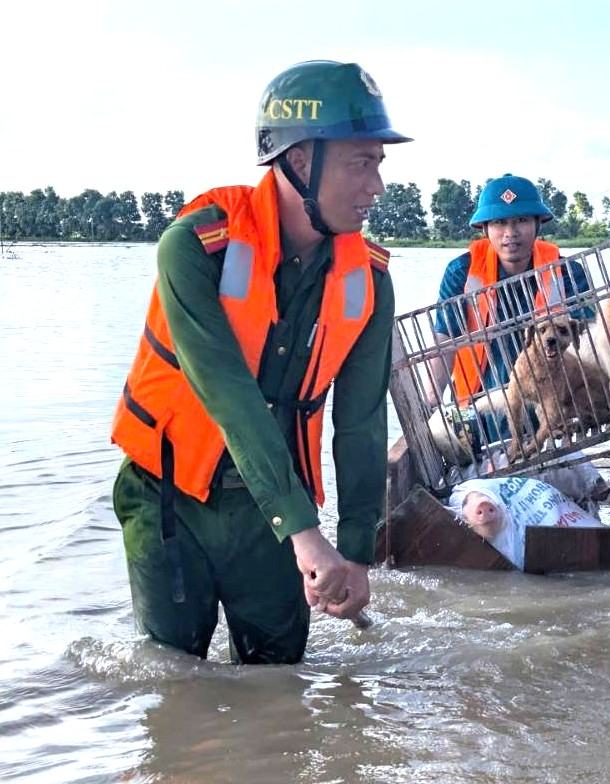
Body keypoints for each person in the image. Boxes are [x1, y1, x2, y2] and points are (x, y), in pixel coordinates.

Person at [111, 61, 410, 663]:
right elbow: (231, 397)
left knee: (279, 682)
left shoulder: (371, 281)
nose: (376, 186)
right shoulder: (195, 248)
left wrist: (353, 551)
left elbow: (361, 421)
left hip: (270, 511)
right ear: (300, 162)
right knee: (174, 683)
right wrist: (306, 535)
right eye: (361, 163)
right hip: (171, 498)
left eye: (379, 164)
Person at [423, 174, 592, 442]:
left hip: (551, 403)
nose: (510, 233)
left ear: (538, 224)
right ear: (484, 228)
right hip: (480, 405)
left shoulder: (568, 271)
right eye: (499, 222)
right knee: (446, 438)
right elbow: (446, 340)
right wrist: (433, 395)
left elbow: (590, 337)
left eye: (522, 221)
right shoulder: (461, 272)